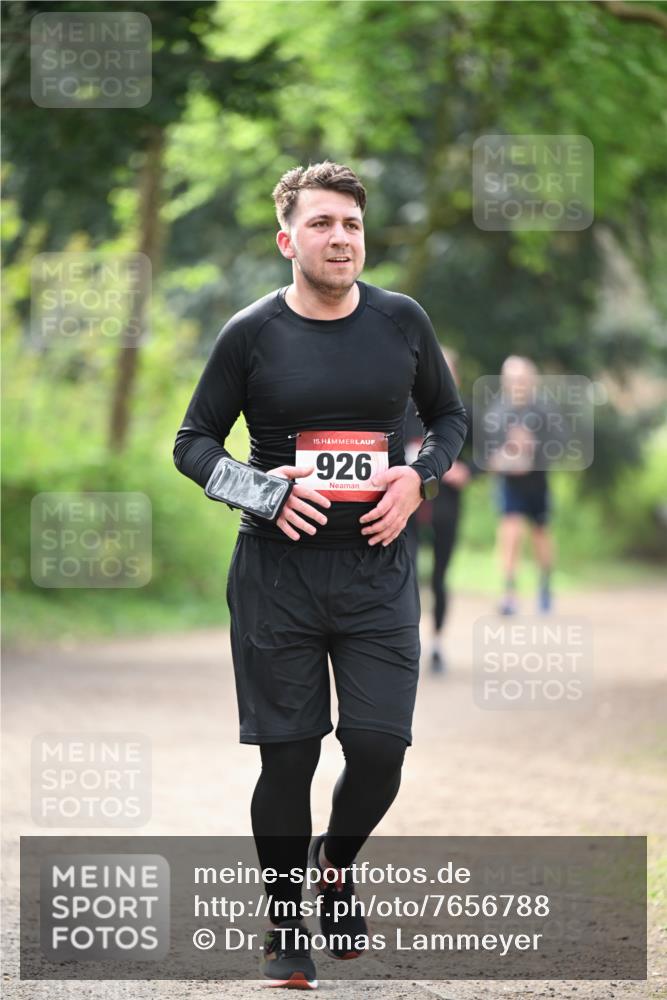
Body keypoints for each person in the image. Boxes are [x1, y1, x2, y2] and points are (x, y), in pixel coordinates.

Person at [174, 161, 467, 989]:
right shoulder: (251, 333)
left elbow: (447, 417)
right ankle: (282, 923)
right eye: (322, 225)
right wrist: (262, 493)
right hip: (277, 576)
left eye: (351, 226)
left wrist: (419, 476)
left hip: (376, 571)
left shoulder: (401, 322)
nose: (340, 238)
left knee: (377, 749)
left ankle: (334, 864)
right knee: (288, 757)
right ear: (286, 239)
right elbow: (192, 443)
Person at [404, 350, 475, 673]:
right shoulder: (402, 408)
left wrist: (467, 471)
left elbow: (490, 453)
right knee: (405, 573)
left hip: (447, 505)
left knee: (439, 576)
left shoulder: (463, 413)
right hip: (406, 507)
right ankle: (407, 642)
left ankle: (437, 644)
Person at [485, 355, 555, 615]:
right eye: (512, 378)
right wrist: (506, 456)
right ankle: (509, 592)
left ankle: (545, 585)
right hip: (509, 484)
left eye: (522, 378)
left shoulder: (544, 411)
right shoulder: (496, 413)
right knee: (510, 533)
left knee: (540, 534)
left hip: (537, 482)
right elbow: (488, 456)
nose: (517, 383)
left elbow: (557, 446)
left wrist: (532, 447)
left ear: (531, 380)